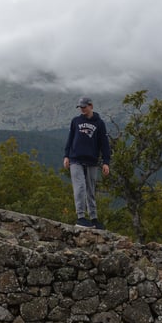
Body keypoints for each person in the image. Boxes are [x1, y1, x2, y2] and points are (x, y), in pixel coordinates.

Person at [63, 96, 112, 229]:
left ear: (91, 106)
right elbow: (70, 139)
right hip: (76, 159)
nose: (82, 109)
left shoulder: (99, 123)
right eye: (80, 107)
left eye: (84, 107)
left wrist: (106, 162)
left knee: (91, 189)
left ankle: (94, 218)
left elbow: (104, 144)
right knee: (80, 187)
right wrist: (66, 156)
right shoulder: (76, 121)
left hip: (92, 160)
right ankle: (81, 217)